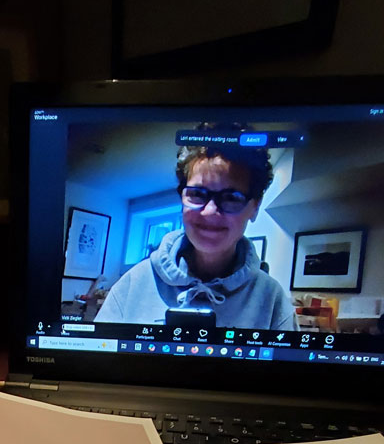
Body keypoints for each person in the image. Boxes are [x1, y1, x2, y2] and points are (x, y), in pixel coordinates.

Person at [95, 124, 298, 330]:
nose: (210, 211)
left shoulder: (273, 302)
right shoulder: (132, 285)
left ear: (254, 207)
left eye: (231, 197)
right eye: (197, 194)